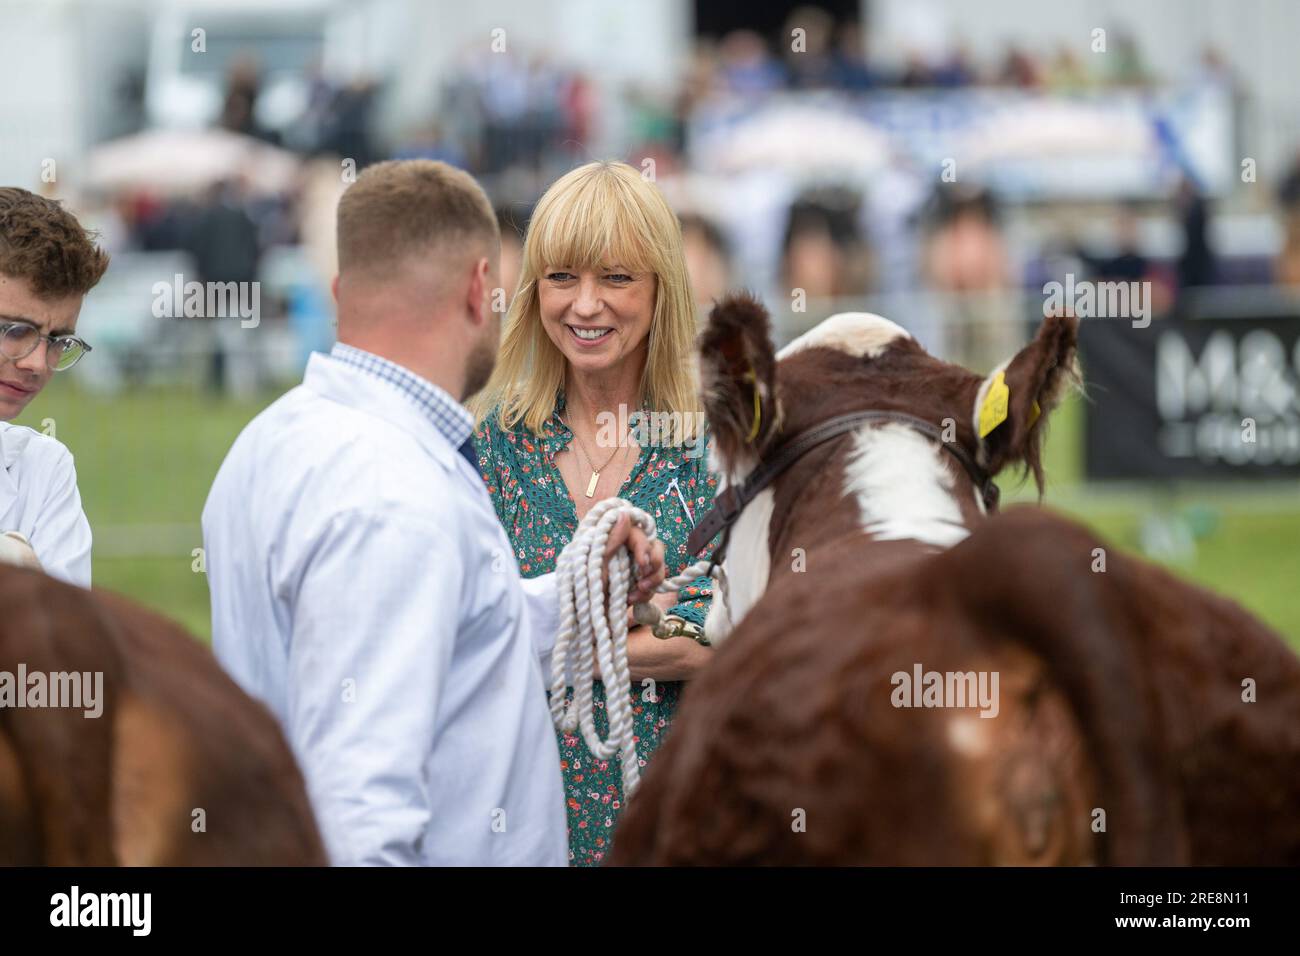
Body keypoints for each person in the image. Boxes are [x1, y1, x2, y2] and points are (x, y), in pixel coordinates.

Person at [201, 160, 667, 866]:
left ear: (338, 291)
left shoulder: (272, 439)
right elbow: (362, 813)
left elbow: (460, 631)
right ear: (483, 290)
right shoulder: (395, 497)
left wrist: (581, 587)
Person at [471, 161, 717, 865]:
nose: (585, 305)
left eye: (615, 278)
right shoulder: (489, 447)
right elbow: (458, 626)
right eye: (561, 278)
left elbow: (729, 634)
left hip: (683, 822)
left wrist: (538, 636)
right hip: (515, 824)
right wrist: (652, 617)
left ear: (659, 288)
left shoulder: (718, 446)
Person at [0, 187, 105, 587]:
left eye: (59, 339)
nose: (36, 363)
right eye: (16, 330)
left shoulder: (42, 469)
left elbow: (63, 645)